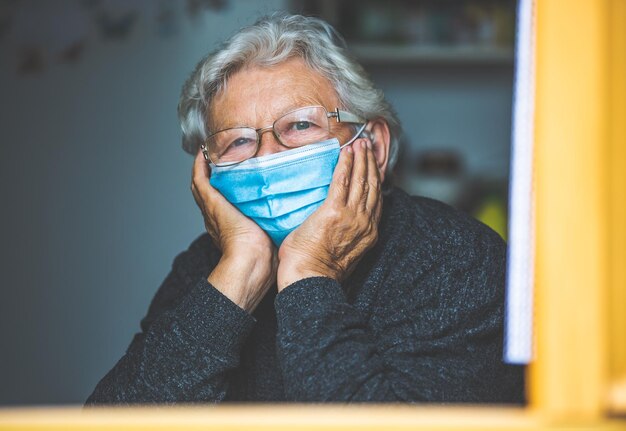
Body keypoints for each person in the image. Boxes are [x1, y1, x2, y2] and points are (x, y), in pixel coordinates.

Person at [86, 13, 524, 404]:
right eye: (238, 141)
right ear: (207, 169)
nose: (267, 156)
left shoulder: (456, 261)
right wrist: (239, 275)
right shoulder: (204, 267)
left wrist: (308, 276)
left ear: (371, 143)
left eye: (299, 125)